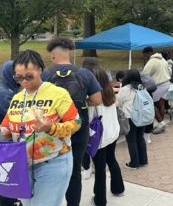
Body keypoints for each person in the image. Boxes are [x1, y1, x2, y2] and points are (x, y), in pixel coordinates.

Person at [0, 50, 81, 206]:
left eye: (29, 76)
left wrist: (51, 127)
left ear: (40, 70)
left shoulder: (58, 93)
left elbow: (76, 123)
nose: (24, 81)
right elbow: (6, 129)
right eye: (18, 77)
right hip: (23, 165)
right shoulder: (17, 98)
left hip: (53, 162)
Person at [46, 37, 102, 206]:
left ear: (53, 55)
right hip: (79, 127)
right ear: (69, 54)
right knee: (75, 171)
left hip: (52, 129)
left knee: (48, 169)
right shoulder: (85, 73)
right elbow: (97, 100)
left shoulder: (45, 74)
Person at [89, 68, 125, 205]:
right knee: (111, 160)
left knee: (99, 168)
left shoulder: (93, 99)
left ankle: (100, 199)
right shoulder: (111, 94)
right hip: (112, 134)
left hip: (99, 138)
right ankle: (118, 188)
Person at [0, 61, 22, 206]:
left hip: (7, 143)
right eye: (16, 75)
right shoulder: (4, 93)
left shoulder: (10, 91)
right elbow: (10, 119)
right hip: (6, 144)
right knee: (7, 181)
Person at [116, 70, 148, 169]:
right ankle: (143, 160)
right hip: (141, 116)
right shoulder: (142, 87)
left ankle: (134, 163)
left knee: (131, 141)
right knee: (140, 138)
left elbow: (118, 103)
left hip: (130, 117)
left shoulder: (125, 89)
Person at [142, 46, 170, 134]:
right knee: (161, 104)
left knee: (151, 105)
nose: (144, 57)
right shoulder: (163, 59)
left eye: (145, 55)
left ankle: (161, 123)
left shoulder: (152, 61)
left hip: (158, 85)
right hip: (166, 84)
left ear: (149, 53)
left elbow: (144, 75)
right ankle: (161, 124)